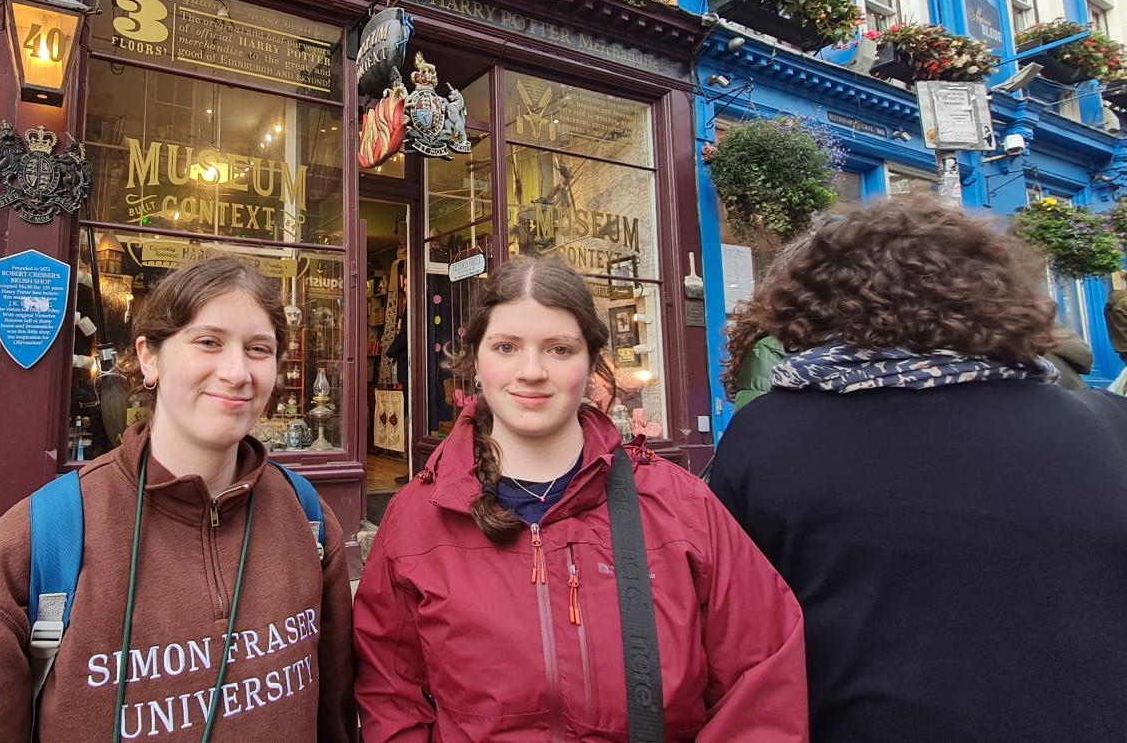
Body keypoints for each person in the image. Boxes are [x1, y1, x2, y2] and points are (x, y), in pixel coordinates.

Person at [710, 197, 1127, 742]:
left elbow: (733, 627)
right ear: (991, 292)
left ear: (813, 302)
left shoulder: (766, 434)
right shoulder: (1105, 426)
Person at [354, 256, 808, 741]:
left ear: (591, 362)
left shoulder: (680, 507)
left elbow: (761, 676)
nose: (531, 371)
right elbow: (389, 688)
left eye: (559, 349)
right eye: (506, 346)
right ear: (476, 361)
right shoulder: (419, 517)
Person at [0, 259, 356, 743]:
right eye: (207, 342)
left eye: (258, 349)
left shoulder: (306, 518)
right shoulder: (40, 541)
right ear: (149, 358)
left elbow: (334, 719)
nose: (236, 371)